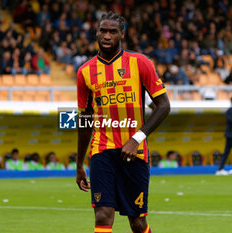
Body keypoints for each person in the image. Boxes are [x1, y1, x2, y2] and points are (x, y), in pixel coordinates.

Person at [76, 11, 170, 233]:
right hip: (102, 151)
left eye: (113, 31)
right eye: (103, 31)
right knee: (102, 214)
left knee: (137, 222)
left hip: (134, 152)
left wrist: (137, 139)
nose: (107, 36)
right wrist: (80, 163)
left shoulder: (140, 63)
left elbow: (163, 106)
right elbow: (85, 119)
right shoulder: (85, 72)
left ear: (122, 35)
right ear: (96, 33)